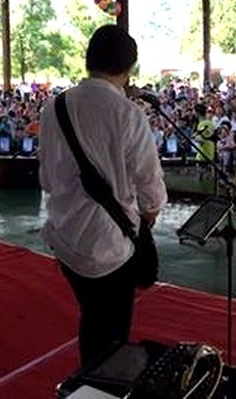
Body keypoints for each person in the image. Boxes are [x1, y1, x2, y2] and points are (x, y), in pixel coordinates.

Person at [38, 25, 167, 365]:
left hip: (64, 239)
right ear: (129, 69)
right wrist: (148, 216)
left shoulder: (54, 108)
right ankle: (97, 384)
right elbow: (150, 184)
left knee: (94, 319)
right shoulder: (128, 114)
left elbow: (47, 177)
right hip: (109, 247)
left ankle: (93, 374)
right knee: (109, 339)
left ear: (88, 60)